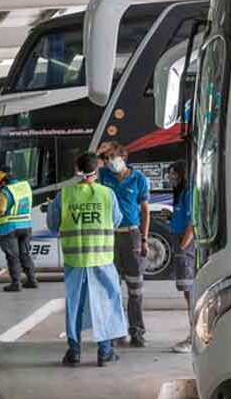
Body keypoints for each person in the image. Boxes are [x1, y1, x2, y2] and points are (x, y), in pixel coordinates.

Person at [47, 152, 126, 367]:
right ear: (97, 171)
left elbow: (53, 225)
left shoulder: (64, 195)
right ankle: (105, 352)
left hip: (75, 261)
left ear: (77, 170)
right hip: (102, 258)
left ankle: (74, 353)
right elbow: (116, 221)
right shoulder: (107, 194)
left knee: (75, 305)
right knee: (106, 302)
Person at [96, 142, 150, 347]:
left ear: (122, 157)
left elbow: (145, 210)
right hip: (109, 237)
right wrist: (98, 152)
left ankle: (136, 331)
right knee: (111, 287)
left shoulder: (139, 179)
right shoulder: (104, 177)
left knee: (135, 288)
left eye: (111, 157)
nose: (109, 161)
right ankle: (115, 331)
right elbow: (83, 168)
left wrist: (144, 239)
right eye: (106, 158)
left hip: (132, 236)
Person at [0, 169, 37, 292]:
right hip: (26, 225)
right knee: (24, 253)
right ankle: (32, 280)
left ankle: (16, 283)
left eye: (0, 184)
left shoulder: (6, 191)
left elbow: (1, 211)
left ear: (3, 181)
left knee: (13, 256)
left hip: (9, 227)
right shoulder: (25, 186)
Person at [165, 161, 195, 354]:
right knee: (187, 292)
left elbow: (193, 221)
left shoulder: (190, 191)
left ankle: (195, 337)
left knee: (190, 292)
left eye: (174, 174)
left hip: (185, 244)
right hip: (180, 241)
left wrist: (184, 245)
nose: (171, 177)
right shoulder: (181, 192)